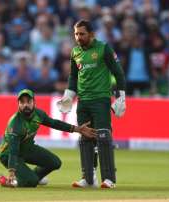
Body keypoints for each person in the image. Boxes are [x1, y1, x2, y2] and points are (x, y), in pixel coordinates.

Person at [57, 20, 126, 189]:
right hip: (83, 102)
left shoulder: (104, 48)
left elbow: (118, 72)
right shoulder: (75, 52)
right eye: (76, 34)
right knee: (85, 137)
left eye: (82, 34)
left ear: (92, 34)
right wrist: (68, 95)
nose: (78, 37)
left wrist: (121, 96)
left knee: (103, 137)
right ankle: (88, 179)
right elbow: (73, 77)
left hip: (101, 99)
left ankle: (109, 179)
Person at [0, 89, 97, 188]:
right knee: (31, 182)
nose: (25, 105)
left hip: (26, 148)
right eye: (22, 102)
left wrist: (77, 129)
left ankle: (34, 176)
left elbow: (54, 123)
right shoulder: (15, 123)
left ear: (34, 102)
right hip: (8, 154)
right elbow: (13, 150)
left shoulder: (39, 114)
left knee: (55, 162)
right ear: (18, 104)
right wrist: (11, 172)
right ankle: (7, 181)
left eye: (29, 101)